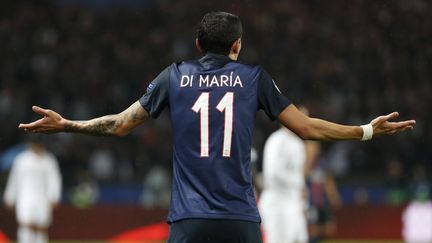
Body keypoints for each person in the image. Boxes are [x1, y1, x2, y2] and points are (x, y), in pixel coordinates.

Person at [18, 11, 415, 243]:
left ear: (196, 43)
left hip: (189, 221)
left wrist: (67, 123)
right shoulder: (253, 78)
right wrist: (365, 130)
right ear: (238, 45)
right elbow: (308, 128)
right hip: (240, 220)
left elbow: (120, 124)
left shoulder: (174, 77)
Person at [259, 107, 317, 243]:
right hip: (277, 202)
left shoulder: (298, 144)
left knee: (300, 239)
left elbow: (299, 176)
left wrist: (302, 201)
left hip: (293, 202)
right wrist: (298, 183)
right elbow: (272, 174)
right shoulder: (277, 140)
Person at [3, 140, 62, 243]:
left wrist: (54, 196)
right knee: (25, 225)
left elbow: (54, 179)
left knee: (41, 227)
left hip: (43, 198)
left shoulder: (48, 160)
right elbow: (14, 179)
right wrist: (10, 196)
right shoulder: (21, 160)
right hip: (24, 197)